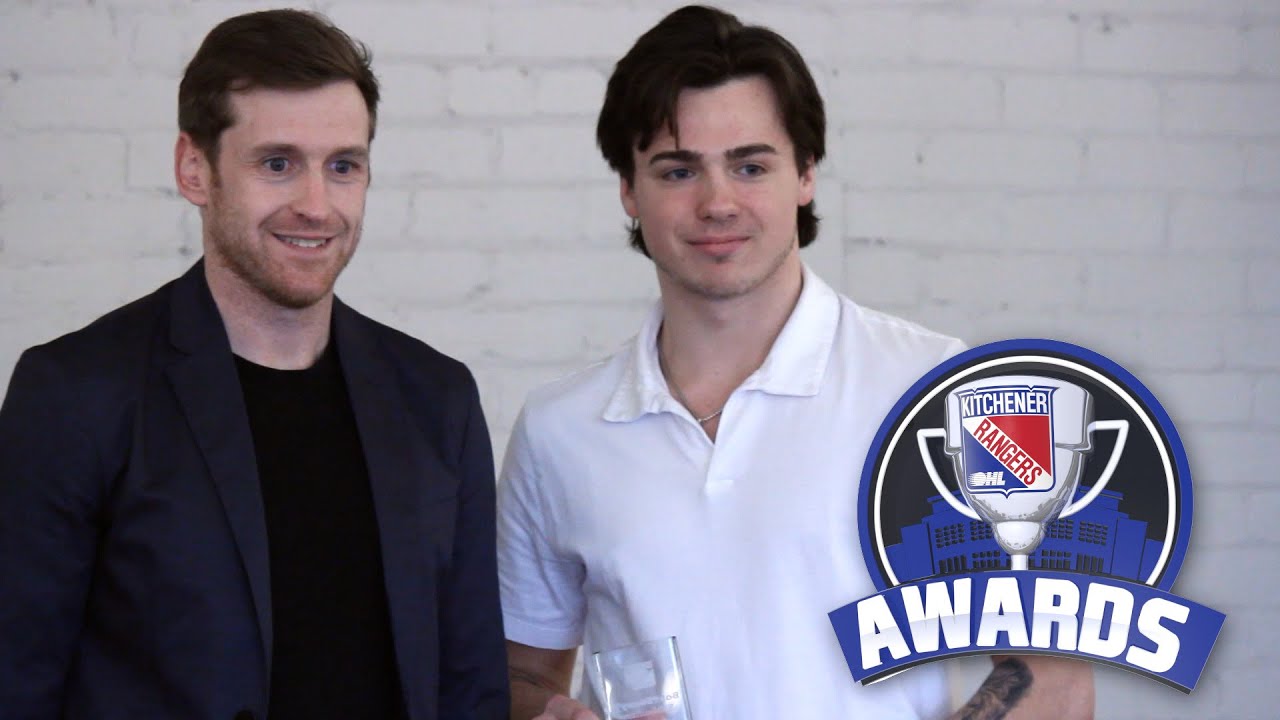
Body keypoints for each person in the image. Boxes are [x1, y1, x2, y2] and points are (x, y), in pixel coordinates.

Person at [497, 6, 1094, 719]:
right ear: (629, 188)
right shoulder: (560, 430)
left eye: (750, 166)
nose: (717, 203)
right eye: (678, 170)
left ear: (806, 174)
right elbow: (519, 673)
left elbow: (1056, 679)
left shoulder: (937, 390)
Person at [0, 10, 507, 719]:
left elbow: (472, 690)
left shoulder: (438, 399)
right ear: (194, 170)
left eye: (343, 166)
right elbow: (16, 684)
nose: (316, 206)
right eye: (277, 164)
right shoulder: (75, 393)